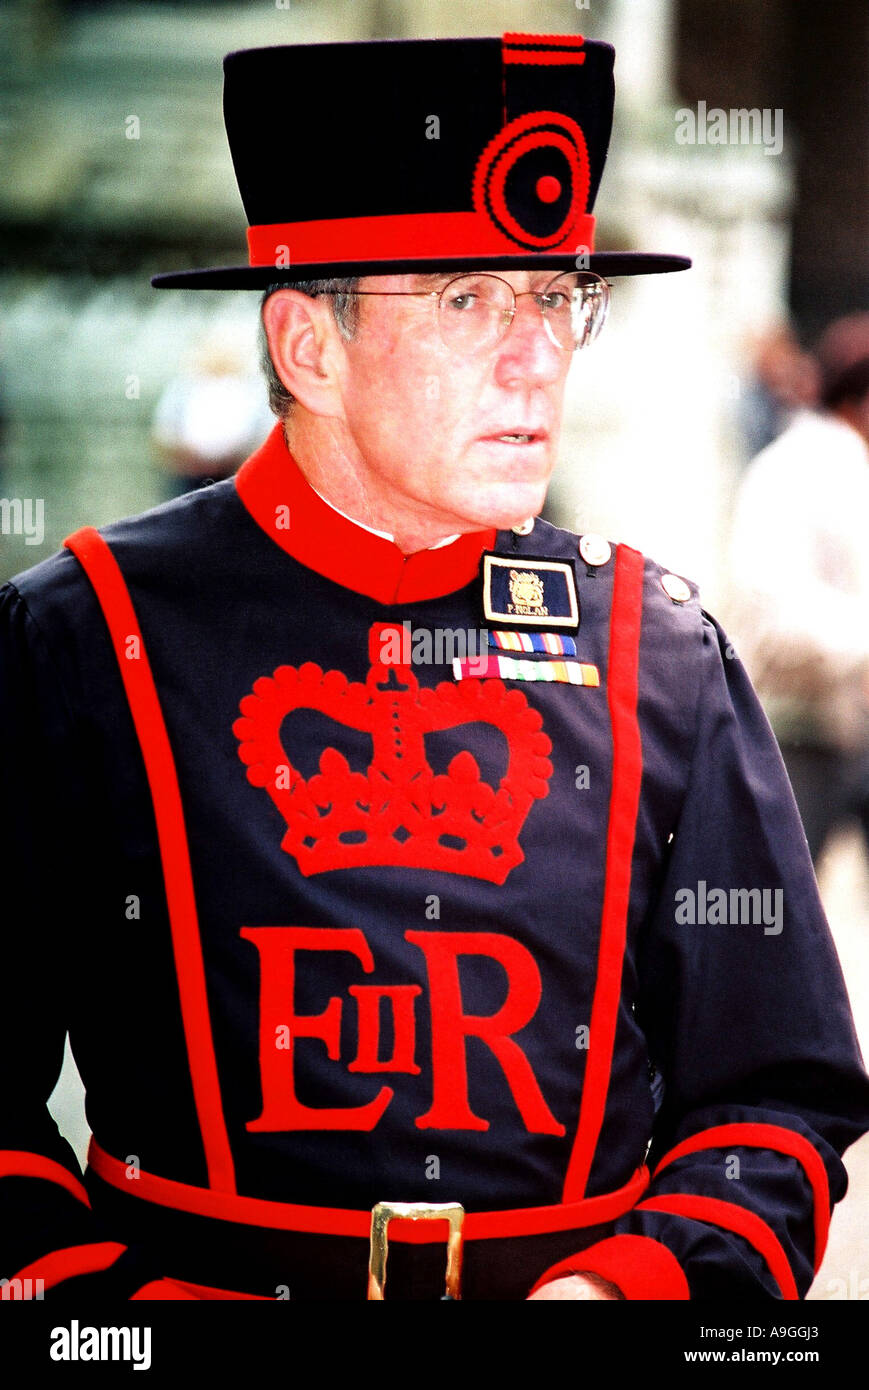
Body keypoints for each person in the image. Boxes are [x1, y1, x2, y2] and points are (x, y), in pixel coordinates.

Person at [1, 33, 868, 1304]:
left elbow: (774, 1099)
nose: (539, 358)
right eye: (467, 298)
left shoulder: (659, 649)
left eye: (559, 296)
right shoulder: (85, 634)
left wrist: (624, 1294)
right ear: (307, 346)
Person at [728, 313, 869, 864]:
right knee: (778, 909)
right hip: (795, 730)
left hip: (843, 725)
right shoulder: (796, 468)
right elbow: (776, 609)